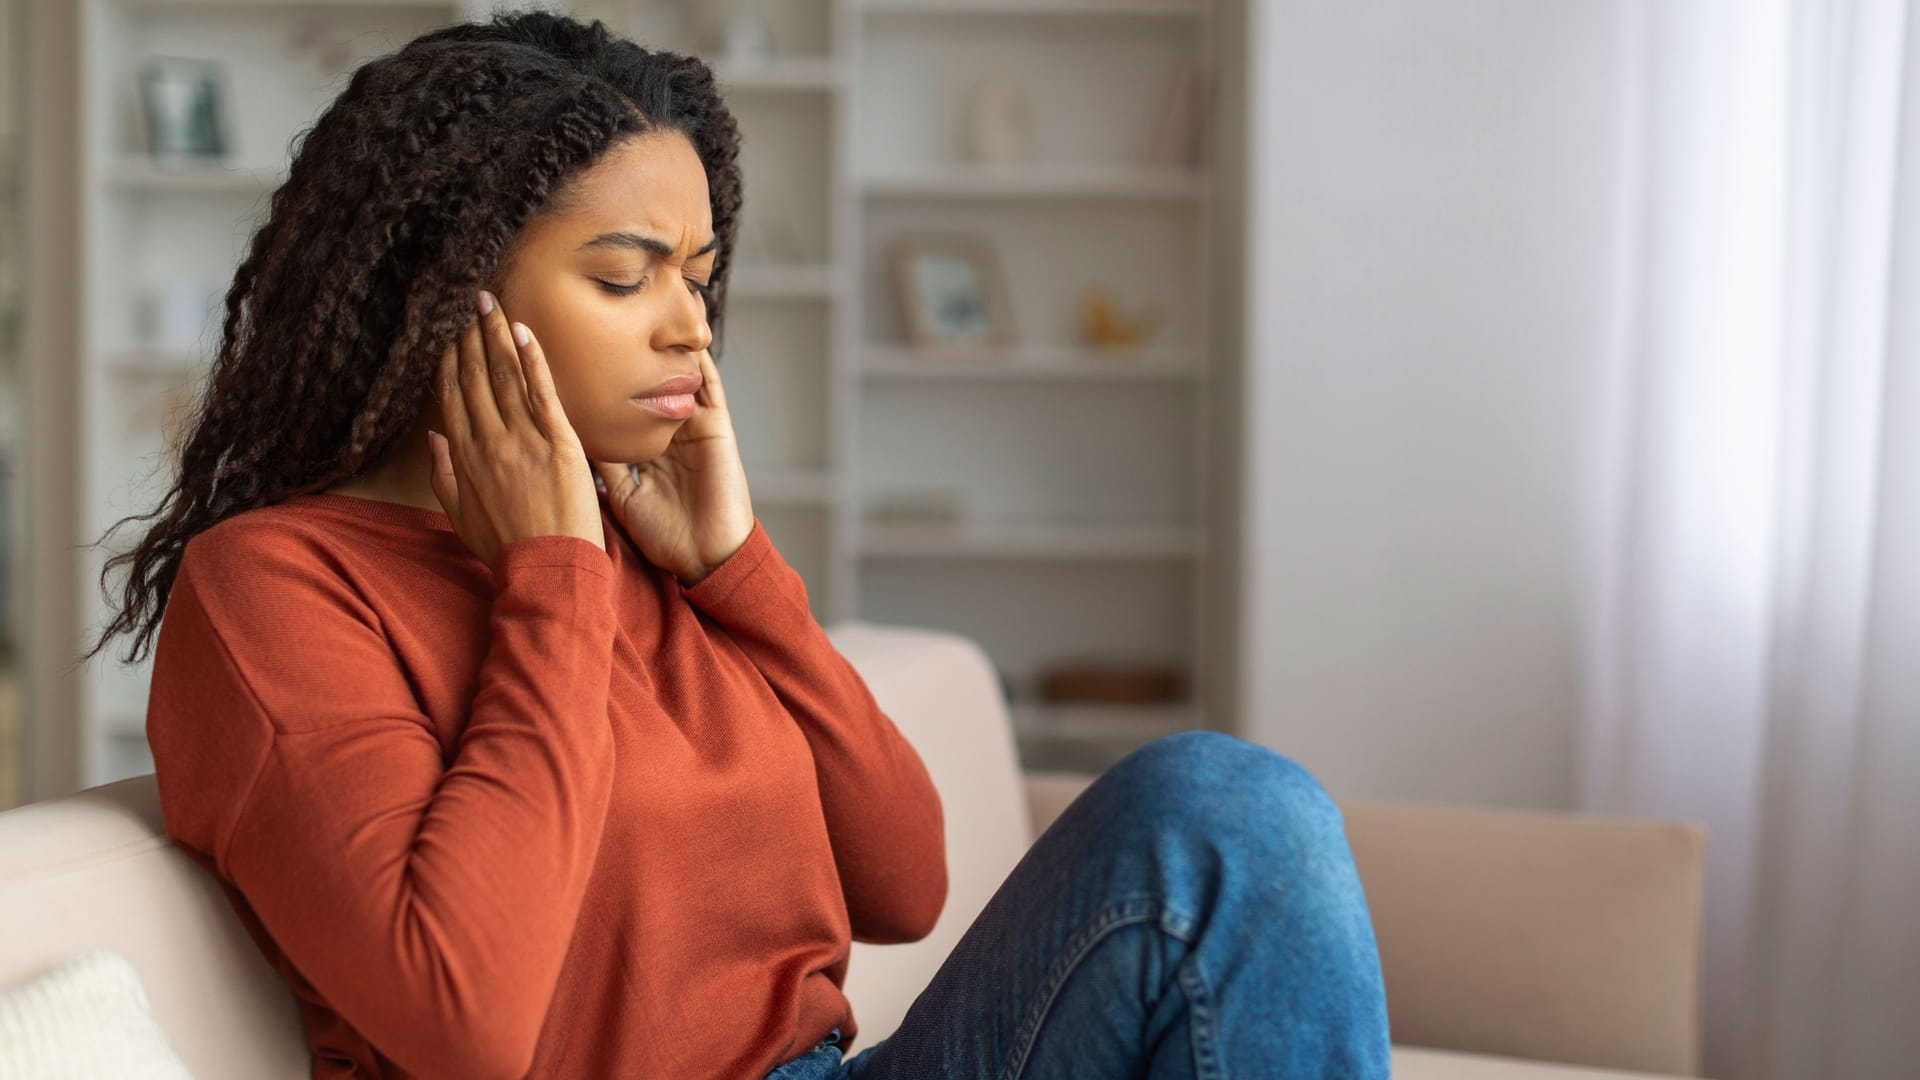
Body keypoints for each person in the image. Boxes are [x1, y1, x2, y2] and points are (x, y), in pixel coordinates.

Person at [84, 11, 1391, 1079]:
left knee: (1224, 807)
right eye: (623, 274)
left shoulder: (651, 543)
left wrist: (738, 572)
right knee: (1225, 813)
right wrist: (551, 583)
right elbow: (462, 1020)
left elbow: (906, 883)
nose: (690, 329)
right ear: (446, 296)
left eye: (698, 276)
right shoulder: (277, 590)